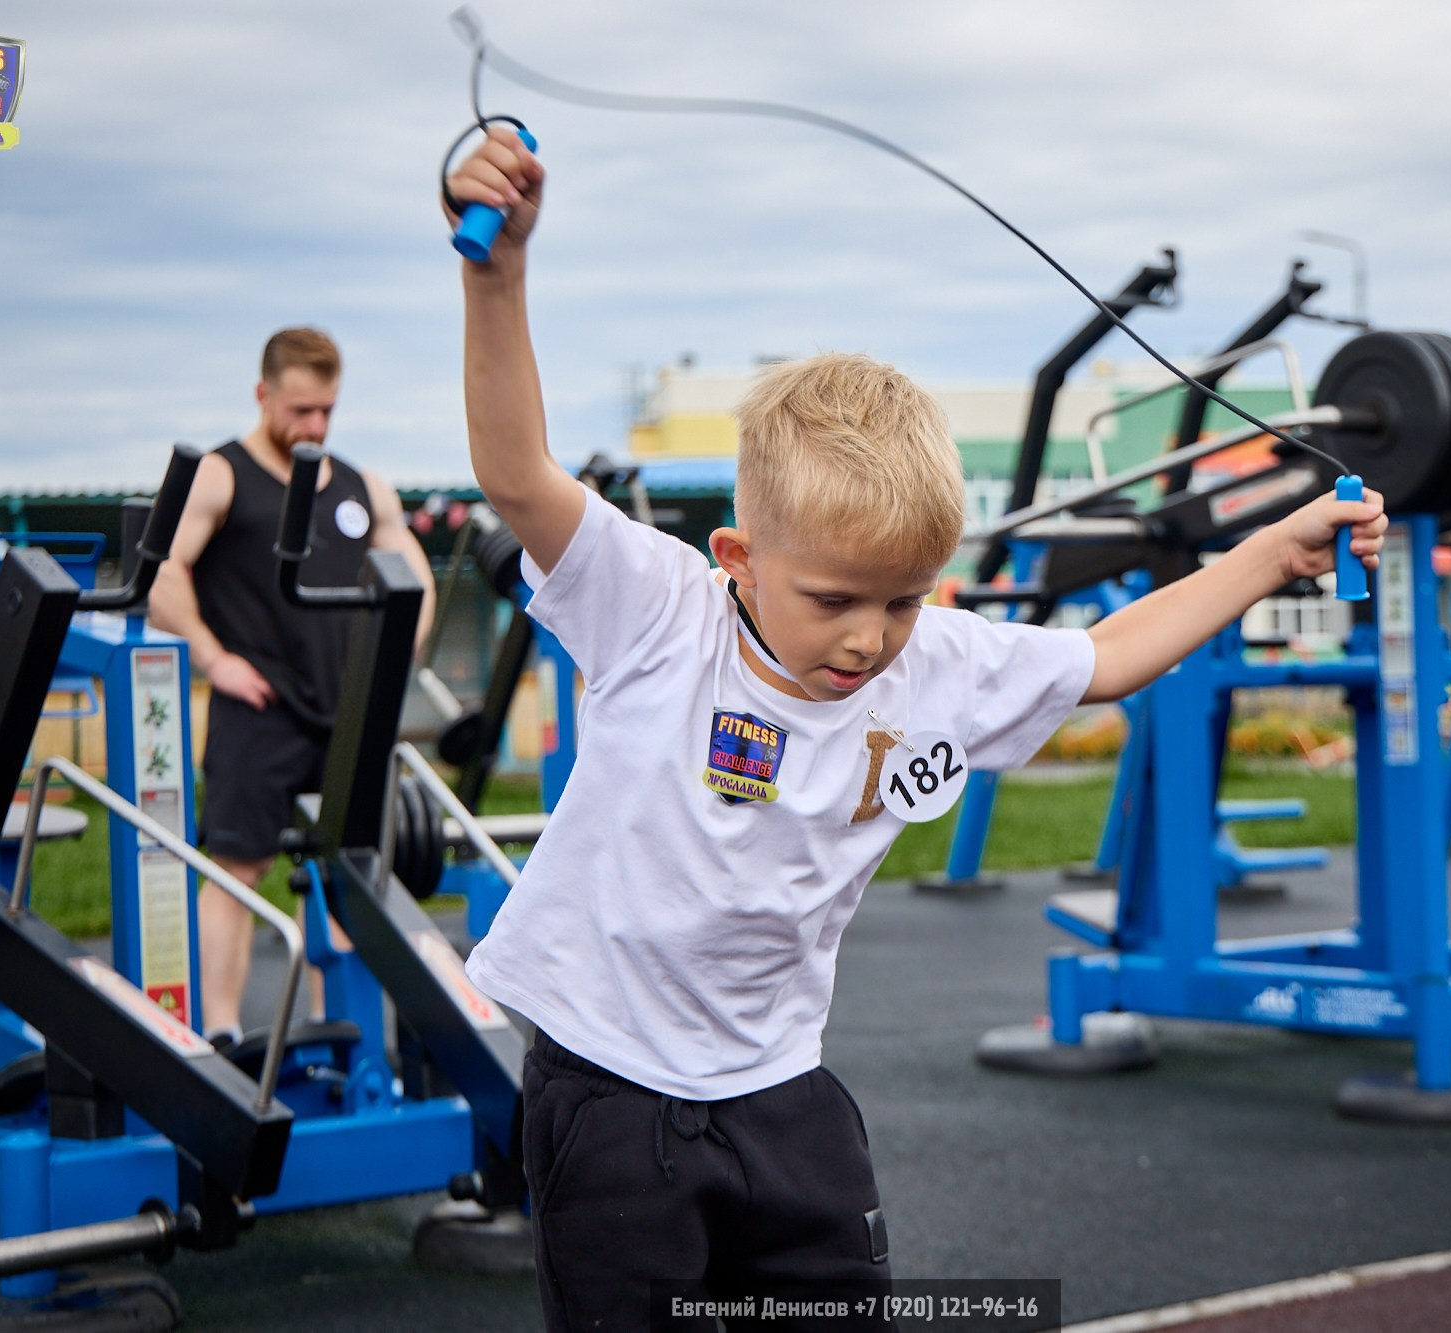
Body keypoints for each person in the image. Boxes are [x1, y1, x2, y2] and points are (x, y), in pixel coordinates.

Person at [445, 127, 1385, 1329]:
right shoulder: (660, 612)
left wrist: (1262, 553)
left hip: (781, 1088)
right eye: (833, 599)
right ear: (738, 556)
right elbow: (518, 473)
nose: (869, 638)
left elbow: (1104, 658)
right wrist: (497, 273)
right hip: (611, 1093)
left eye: (901, 598)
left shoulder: (933, 658)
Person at [149, 327, 434, 1045]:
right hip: (257, 706)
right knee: (237, 871)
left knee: (338, 882)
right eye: (300, 409)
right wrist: (216, 660)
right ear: (263, 393)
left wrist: (392, 661)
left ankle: (333, 1034)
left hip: (341, 713)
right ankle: (219, 1035)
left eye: (326, 412)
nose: (313, 426)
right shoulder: (221, 474)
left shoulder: (361, 487)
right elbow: (161, 575)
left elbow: (414, 578)